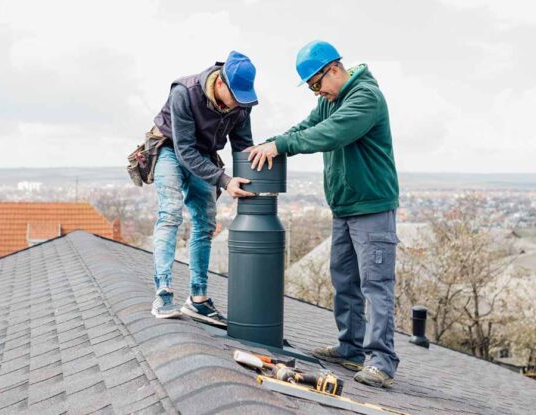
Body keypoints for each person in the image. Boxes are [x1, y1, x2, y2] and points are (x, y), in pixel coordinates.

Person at [248, 41, 400, 388]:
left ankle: (382, 361)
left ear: (333, 69)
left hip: (373, 208)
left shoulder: (365, 98)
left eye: (317, 84)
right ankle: (350, 348)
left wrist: (281, 146)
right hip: (345, 207)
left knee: (376, 285)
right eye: (312, 88)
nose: (316, 92)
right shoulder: (329, 101)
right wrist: (269, 143)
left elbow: (328, 135)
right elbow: (304, 128)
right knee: (345, 281)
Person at [151, 51, 257, 327]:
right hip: (171, 149)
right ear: (220, 84)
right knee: (171, 214)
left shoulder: (241, 105)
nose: (238, 104)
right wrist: (224, 180)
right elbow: (184, 150)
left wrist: (252, 179)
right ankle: (163, 293)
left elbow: (243, 146)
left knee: (205, 224)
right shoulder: (184, 92)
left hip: (205, 155)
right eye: (235, 97)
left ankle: (198, 299)